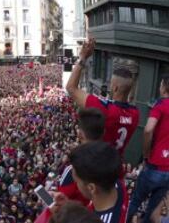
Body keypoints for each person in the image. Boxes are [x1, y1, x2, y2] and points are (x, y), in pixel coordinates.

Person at [66, 39, 139, 156]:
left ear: (114, 88)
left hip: (98, 164)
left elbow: (71, 88)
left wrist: (83, 58)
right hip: (116, 166)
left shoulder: (104, 108)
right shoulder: (135, 114)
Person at [36, 142, 128, 223]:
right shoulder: (116, 185)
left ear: (91, 188)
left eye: (77, 182)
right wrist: (69, 206)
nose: (76, 185)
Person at [127, 76, 169, 223]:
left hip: (154, 166)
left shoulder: (160, 104)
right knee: (152, 211)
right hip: (167, 172)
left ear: (163, 86)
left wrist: (145, 154)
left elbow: (147, 129)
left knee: (135, 201)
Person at [58, 108, 105, 206]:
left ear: (79, 134)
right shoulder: (108, 163)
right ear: (103, 132)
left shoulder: (73, 169)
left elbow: (58, 202)